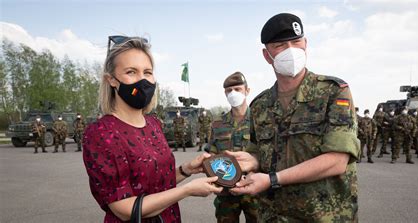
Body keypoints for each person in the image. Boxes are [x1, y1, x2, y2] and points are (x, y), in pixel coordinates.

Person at [228, 13, 359, 222]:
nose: (291, 50)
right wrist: (250, 160)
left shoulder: (333, 92)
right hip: (272, 216)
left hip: (323, 216)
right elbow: (260, 153)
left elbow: (337, 160)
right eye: (280, 45)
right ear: (266, 55)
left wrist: (272, 180)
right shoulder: (260, 105)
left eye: (296, 41)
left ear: (305, 44)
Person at [82, 36, 222, 222]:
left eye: (147, 72)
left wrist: (186, 169)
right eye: (131, 72)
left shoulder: (153, 124)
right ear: (112, 80)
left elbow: (156, 183)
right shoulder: (101, 133)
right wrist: (186, 191)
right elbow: (123, 208)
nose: (142, 80)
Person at [207, 72, 258, 223]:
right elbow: (211, 155)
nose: (233, 93)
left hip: (254, 190)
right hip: (226, 192)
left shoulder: (260, 121)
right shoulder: (218, 124)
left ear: (247, 91)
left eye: (237, 89)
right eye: (229, 91)